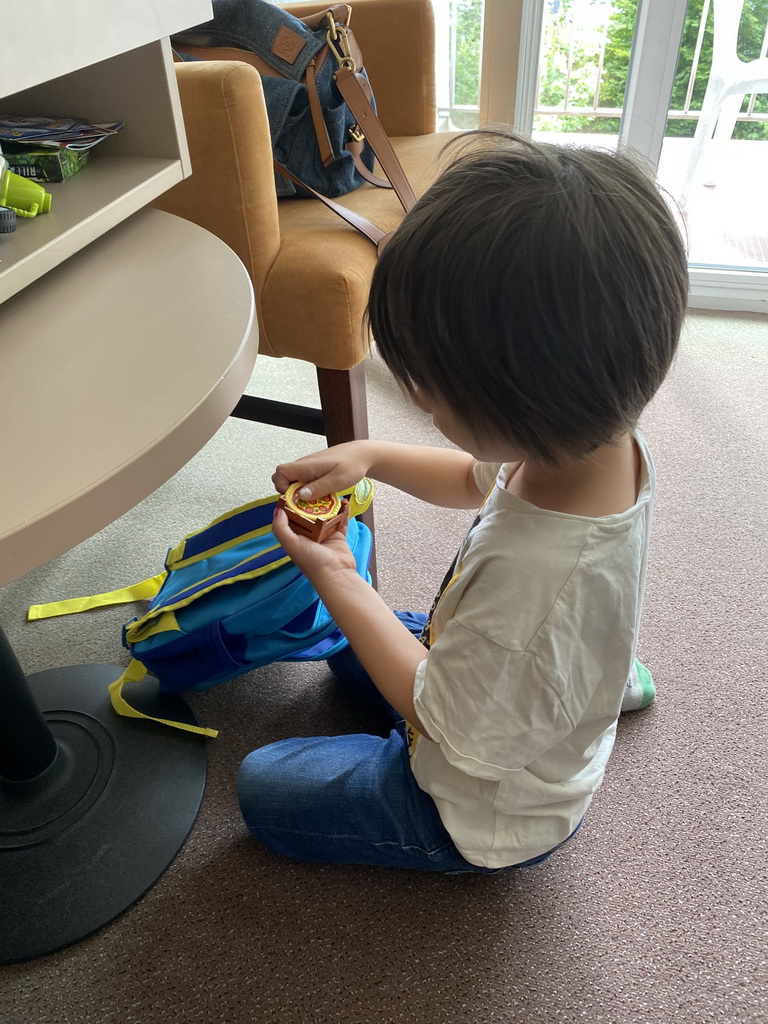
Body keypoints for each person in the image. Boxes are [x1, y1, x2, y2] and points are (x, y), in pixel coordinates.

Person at [236, 128, 689, 873]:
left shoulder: (533, 590)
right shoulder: (591, 444)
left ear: (522, 405)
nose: (420, 403)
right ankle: (596, 684)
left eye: (429, 394)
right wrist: (373, 456)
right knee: (352, 647)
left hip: (481, 806)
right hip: (515, 667)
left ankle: (574, 695)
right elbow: (468, 476)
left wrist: (339, 575)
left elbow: (435, 712)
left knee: (262, 789)